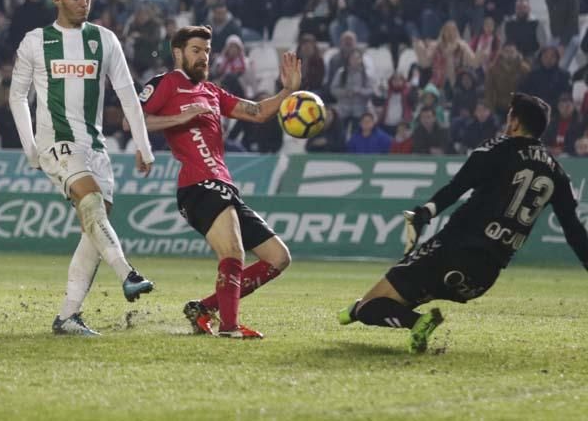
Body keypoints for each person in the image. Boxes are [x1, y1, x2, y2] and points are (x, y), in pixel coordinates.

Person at [338, 93, 588, 353]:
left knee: (371, 307)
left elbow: (457, 187)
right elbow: (573, 231)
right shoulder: (558, 173)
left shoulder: (497, 148)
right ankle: (354, 311)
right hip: (482, 277)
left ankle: (410, 320)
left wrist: (426, 212)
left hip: (449, 252)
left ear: (514, 122)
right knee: (390, 301)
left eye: (509, 116)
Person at [9, 0, 156, 337]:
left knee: (94, 227)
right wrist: (29, 144)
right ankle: (128, 273)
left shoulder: (104, 40)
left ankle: (68, 316)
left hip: (95, 148)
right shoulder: (35, 41)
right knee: (91, 204)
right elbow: (17, 96)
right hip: (56, 142)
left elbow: (126, 93)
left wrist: (143, 144)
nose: (84, 2)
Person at [140, 26, 300, 338]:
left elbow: (256, 112)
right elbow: (136, 118)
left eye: (207, 52)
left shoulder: (212, 92)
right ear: (178, 53)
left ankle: (205, 308)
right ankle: (229, 326)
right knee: (233, 253)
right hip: (197, 187)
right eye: (196, 50)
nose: (203, 57)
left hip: (224, 186)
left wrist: (287, 92)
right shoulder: (167, 83)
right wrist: (179, 119)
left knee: (278, 258)